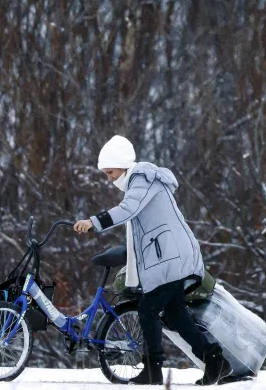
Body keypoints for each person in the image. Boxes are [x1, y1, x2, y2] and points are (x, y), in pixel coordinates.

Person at [74, 135, 232, 386]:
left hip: (170, 257)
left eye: (110, 172)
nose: (109, 179)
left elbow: (127, 210)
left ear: (122, 165)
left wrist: (93, 222)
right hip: (169, 256)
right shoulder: (141, 182)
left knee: (147, 309)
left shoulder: (142, 179)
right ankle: (215, 361)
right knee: (176, 315)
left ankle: (153, 369)